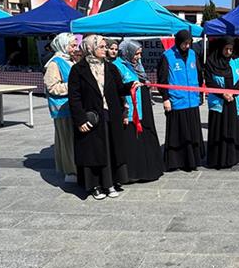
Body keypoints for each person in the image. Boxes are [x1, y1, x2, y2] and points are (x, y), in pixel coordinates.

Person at [68, 35, 137, 200]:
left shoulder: (111, 68)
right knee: (93, 152)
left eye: (105, 46)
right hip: (91, 117)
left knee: (110, 149)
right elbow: (74, 97)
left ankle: (110, 182)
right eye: (101, 46)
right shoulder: (78, 70)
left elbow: (119, 89)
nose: (105, 50)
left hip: (110, 115)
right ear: (90, 48)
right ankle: (95, 186)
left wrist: (131, 86)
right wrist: (80, 120)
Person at [114, 40, 165, 181]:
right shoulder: (118, 66)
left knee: (145, 139)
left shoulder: (137, 65)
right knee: (132, 141)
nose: (139, 57)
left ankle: (147, 170)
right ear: (128, 52)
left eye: (140, 53)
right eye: (136, 54)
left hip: (143, 106)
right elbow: (119, 89)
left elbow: (142, 79)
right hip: (131, 108)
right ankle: (132, 174)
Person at [157, 30, 205, 171]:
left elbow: (199, 75)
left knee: (192, 133)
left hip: (192, 100)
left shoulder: (193, 55)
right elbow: (162, 80)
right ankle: (177, 161)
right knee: (179, 133)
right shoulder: (167, 56)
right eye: (184, 43)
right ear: (178, 42)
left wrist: (200, 94)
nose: (187, 46)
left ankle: (193, 161)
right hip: (177, 101)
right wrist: (165, 99)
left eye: (189, 43)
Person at [205, 37, 239, 169]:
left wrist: (232, 93)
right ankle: (218, 159)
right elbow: (209, 81)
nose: (228, 52)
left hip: (234, 101)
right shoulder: (211, 62)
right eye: (226, 49)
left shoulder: (237, 61)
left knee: (233, 130)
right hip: (219, 102)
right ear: (221, 48)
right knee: (219, 130)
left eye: (230, 49)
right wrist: (223, 94)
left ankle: (233, 157)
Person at [43, 33, 78, 182]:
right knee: (67, 140)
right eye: (72, 45)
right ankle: (70, 171)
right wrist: (74, 86)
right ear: (63, 46)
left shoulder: (69, 60)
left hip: (73, 106)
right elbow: (52, 87)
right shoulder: (54, 63)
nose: (75, 48)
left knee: (73, 139)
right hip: (62, 108)